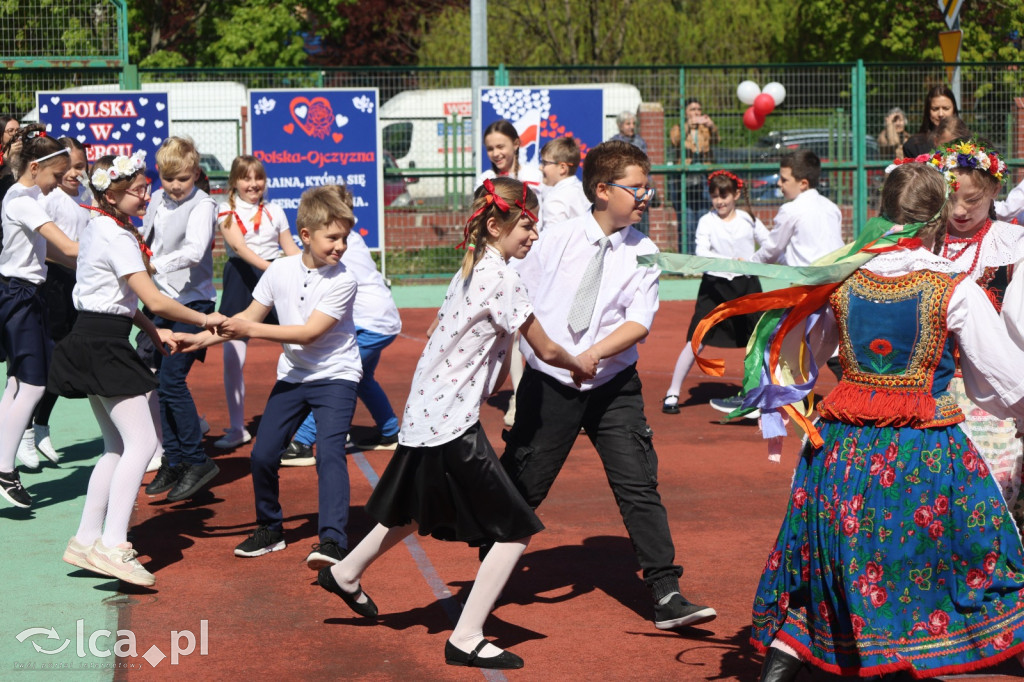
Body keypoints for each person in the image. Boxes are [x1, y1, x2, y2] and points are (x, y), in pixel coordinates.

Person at [747, 161, 1024, 681]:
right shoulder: (951, 285)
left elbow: (808, 356)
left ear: (882, 212)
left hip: (840, 447)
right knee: (974, 545)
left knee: (831, 552)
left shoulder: (845, 277)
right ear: (937, 219)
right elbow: (1005, 376)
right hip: (922, 448)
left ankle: (789, 651)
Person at [319, 177, 597, 670]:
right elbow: (546, 349)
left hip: (426, 412)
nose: (534, 235)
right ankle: (466, 637)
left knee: (413, 510)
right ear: (495, 226)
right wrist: (580, 364)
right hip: (449, 420)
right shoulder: (503, 278)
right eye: (527, 226)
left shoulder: (470, 268)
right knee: (513, 531)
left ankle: (345, 572)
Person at [499, 140, 718, 631]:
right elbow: (514, 292)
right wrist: (551, 358)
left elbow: (639, 321)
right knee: (524, 484)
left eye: (647, 187)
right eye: (636, 188)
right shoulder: (555, 238)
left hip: (612, 383)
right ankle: (489, 571)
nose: (646, 196)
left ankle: (665, 591)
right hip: (552, 382)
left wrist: (594, 354)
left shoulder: (644, 251)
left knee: (638, 482)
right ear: (602, 190)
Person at [52, 152, 226, 586]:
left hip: (93, 336)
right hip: (103, 344)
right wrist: (205, 319)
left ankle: (86, 539)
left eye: (146, 188)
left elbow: (119, 299)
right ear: (111, 195)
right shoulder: (117, 235)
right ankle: (113, 544)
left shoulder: (100, 226)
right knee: (144, 443)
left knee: (115, 446)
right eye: (137, 190)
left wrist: (153, 331)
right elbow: (155, 299)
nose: (146, 196)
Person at [174, 187, 364, 570]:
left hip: (336, 376)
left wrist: (249, 330)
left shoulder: (344, 280)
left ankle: (332, 541)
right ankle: (270, 528)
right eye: (333, 238)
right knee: (262, 454)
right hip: (294, 375)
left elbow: (307, 334)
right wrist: (197, 340)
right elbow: (247, 317)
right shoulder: (279, 270)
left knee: (329, 454)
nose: (341, 246)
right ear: (306, 235)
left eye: (345, 238)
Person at [925, 139, 1024, 535]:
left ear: (995, 190)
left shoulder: (1013, 245)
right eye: (951, 199)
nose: (960, 211)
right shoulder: (921, 243)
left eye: (973, 199)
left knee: (988, 504)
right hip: (928, 391)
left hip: (994, 394)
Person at [710, 149, 843, 416]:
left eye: (784, 179)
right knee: (834, 347)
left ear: (802, 183)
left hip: (807, 294)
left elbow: (771, 249)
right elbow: (795, 252)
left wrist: (747, 265)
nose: (779, 184)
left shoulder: (791, 209)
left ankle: (756, 403)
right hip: (836, 289)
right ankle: (857, 399)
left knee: (770, 342)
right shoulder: (831, 208)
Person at [283, 184, 402, 466]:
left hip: (371, 323)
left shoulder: (335, 244)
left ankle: (303, 442)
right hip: (382, 318)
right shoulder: (350, 239)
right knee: (364, 378)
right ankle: (389, 432)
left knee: (335, 376)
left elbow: (303, 267)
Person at [0, 129, 79, 508]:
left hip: (25, 295)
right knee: (32, 386)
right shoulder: (22, 201)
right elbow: (67, 246)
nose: (58, 183)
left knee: (17, 383)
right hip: (19, 296)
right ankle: (4, 471)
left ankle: (2, 462)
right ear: (35, 168)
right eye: (56, 175)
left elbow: (54, 252)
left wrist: (86, 263)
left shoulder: (30, 198)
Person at [141, 137, 221, 502]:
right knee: (159, 382)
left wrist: (153, 265)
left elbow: (194, 251)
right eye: (168, 178)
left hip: (193, 304)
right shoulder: (156, 198)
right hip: (160, 302)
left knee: (173, 380)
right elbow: (146, 238)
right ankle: (173, 460)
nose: (175, 185)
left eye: (183, 179)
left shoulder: (203, 204)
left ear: (196, 174)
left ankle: (196, 459)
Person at [662, 170, 768, 415]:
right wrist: (729, 263)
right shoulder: (706, 221)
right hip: (714, 287)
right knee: (696, 338)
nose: (719, 201)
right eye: (715, 196)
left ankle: (758, 392)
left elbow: (769, 244)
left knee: (758, 340)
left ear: (736, 195)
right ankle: (673, 392)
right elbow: (702, 252)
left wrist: (751, 261)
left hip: (746, 286)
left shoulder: (748, 219)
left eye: (724, 196)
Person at [214, 155, 300, 450]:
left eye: (258, 178)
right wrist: (272, 269)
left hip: (275, 275)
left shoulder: (275, 210)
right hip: (242, 278)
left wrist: (307, 271)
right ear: (234, 182)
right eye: (246, 178)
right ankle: (238, 427)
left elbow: (290, 249)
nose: (253, 184)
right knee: (232, 356)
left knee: (298, 346)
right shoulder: (225, 209)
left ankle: (311, 422)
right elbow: (239, 247)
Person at [22, 137, 92, 466]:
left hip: (79, 283)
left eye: (80, 167)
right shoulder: (48, 198)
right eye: (69, 168)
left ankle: (39, 424)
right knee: (47, 357)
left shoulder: (86, 195)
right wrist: (74, 258)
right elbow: (44, 245)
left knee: (65, 358)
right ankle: (26, 430)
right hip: (53, 284)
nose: (75, 174)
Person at [681, 98, 719, 254]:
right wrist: (688, 126)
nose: (696, 112)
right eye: (692, 109)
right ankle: (689, 257)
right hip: (687, 179)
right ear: (685, 112)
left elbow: (716, 141)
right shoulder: (679, 127)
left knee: (704, 217)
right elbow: (675, 140)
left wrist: (712, 126)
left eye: (698, 109)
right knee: (688, 221)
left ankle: (704, 256)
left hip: (704, 177)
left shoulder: (705, 129)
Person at [609, 111, 650, 236]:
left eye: (633, 123)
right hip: (623, 189)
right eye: (628, 124)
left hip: (640, 189)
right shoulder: (614, 143)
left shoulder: (640, 141)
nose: (632, 126)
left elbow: (646, 165)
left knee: (641, 227)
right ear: (620, 125)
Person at [538, 136, 590, 228]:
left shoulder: (555, 199)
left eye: (545, 163)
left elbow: (552, 235)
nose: (540, 167)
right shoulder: (584, 190)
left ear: (562, 168)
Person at [900, 84, 958, 158]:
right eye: (935, 109)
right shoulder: (913, 146)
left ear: (954, 110)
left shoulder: (967, 143)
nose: (940, 114)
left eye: (946, 108)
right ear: (928, 111)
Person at [0, 115, 21, 204]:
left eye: (18, 130)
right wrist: (5, 157)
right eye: (10, 131)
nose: (15, 134)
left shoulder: (27, 151)